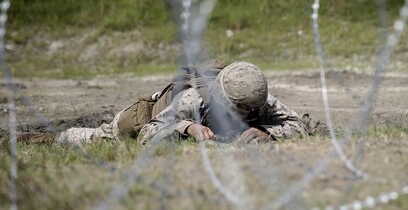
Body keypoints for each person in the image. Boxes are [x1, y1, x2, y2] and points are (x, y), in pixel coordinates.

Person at [57, 61, 307, 145]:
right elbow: (148, 133)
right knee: (99, 138)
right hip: (149, 114)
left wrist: (268, 133)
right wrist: (187, 128)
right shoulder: (195, 99)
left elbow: (298, 125)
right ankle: (61, 136)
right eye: (238, 112)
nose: (247, 116)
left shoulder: (255, 95)